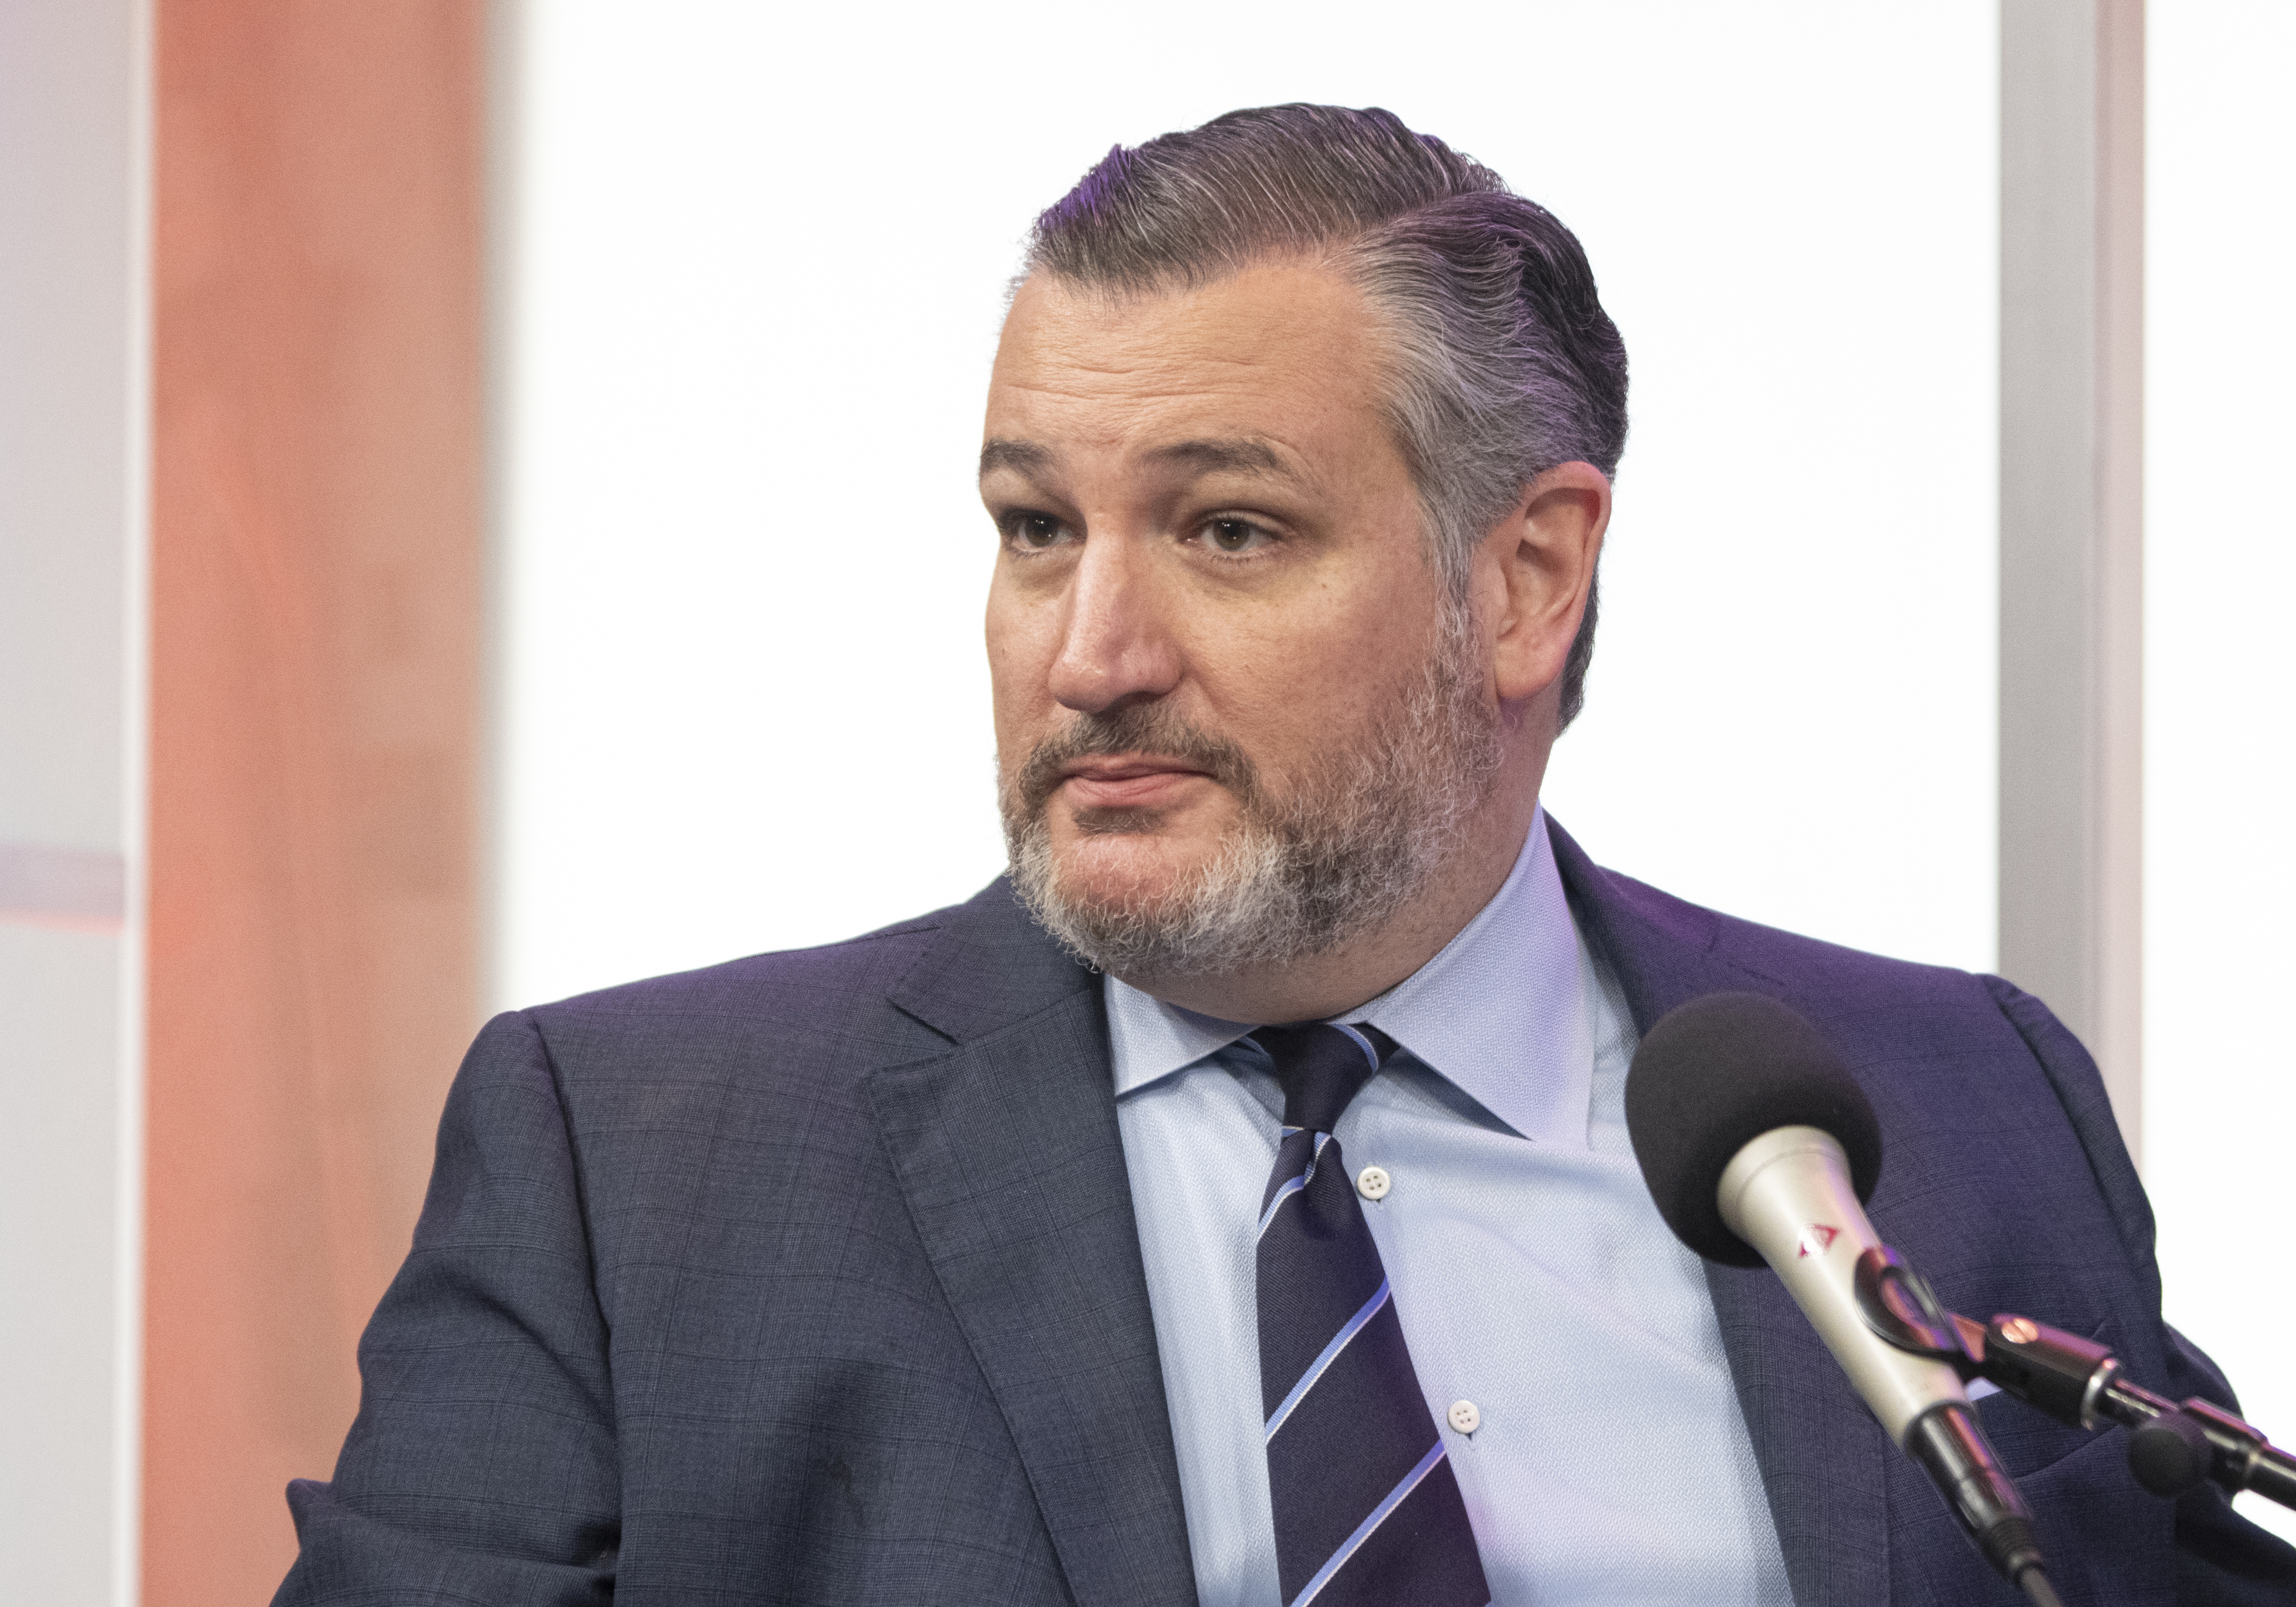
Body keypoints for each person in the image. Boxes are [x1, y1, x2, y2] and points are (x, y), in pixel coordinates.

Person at [274, 104, 2293, 1606]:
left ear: (1525, 581)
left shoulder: (1946, 1108)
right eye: (1036, 527)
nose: (1093, 654)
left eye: (1229, 531)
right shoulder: (641, 1162)